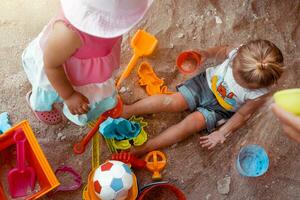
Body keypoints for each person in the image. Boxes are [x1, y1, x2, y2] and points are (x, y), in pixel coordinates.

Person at [122, 39, 285, 156]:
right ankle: (129, 110)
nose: (236, 82)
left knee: (190, 124)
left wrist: (222, 132)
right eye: (234, 75)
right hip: (206, 84)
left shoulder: (259, 95)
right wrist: (205, 53)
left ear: (258, 86)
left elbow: (243, 115)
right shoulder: (238, 52)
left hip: (220, 109)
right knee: (172, 101)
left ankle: (148, 146)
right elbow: (223, 50)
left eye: (244, 85)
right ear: (236, 59)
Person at [22, 0, 153, 125]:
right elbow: (51, 66)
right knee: (48, 91)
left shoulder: (105, 18)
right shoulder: (68, 34)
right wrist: (69, 95)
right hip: (61, 71)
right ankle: (40, 106)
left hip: (88, 66)